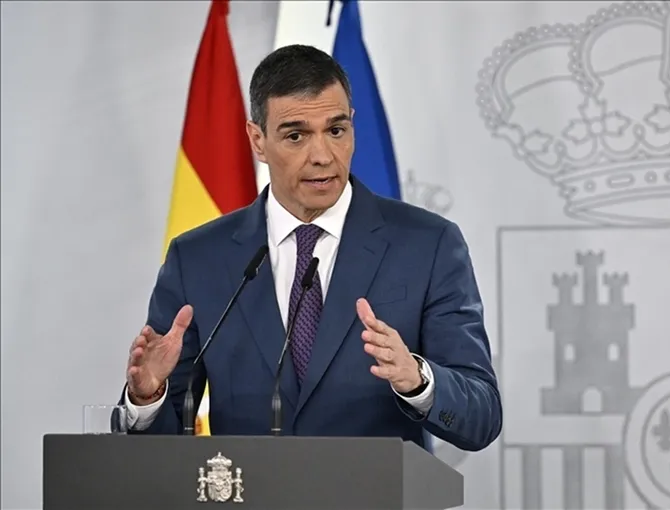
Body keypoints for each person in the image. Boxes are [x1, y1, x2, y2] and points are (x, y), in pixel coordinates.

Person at [119, 44, 501, 452]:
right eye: (296, 136)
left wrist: (419, 380)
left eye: (336, 131)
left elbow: (481, 417)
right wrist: (147, 397)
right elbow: (158, 443)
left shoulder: (427, 245)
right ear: (257, 140)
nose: (322, 156)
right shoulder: (198, 259)